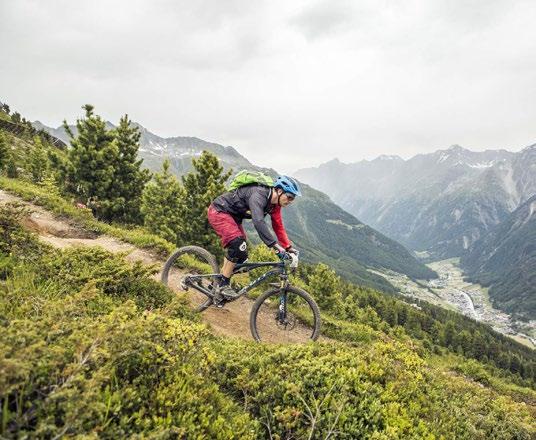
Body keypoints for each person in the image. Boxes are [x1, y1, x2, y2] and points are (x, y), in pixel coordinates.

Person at [207, 175, 301, 300]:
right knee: (238, 244)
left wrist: (288, 247)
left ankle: (217, 284)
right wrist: (276, 246)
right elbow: (258, 221)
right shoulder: (259, 195)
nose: (290, 202)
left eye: (292, 199)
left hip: (233, 218)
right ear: (279, 191)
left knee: (242, 259)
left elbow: (278, 226)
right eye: (289, 197)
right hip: (219, 211)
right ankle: (223, 285)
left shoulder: (275, 205)